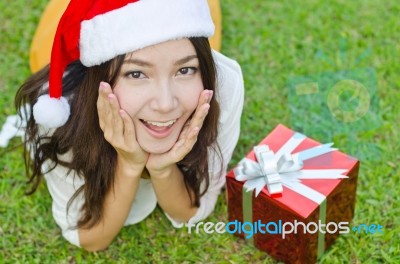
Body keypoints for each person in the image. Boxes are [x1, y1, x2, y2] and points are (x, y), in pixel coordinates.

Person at [13, 0, 244, 252]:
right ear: (101, 80)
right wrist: (129, 164)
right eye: (136, 74)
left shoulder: (222, 86)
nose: (165, 104)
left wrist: (163, 169)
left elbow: (191, 211)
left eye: (186, 70)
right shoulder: (60, 113)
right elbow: (90, 238)